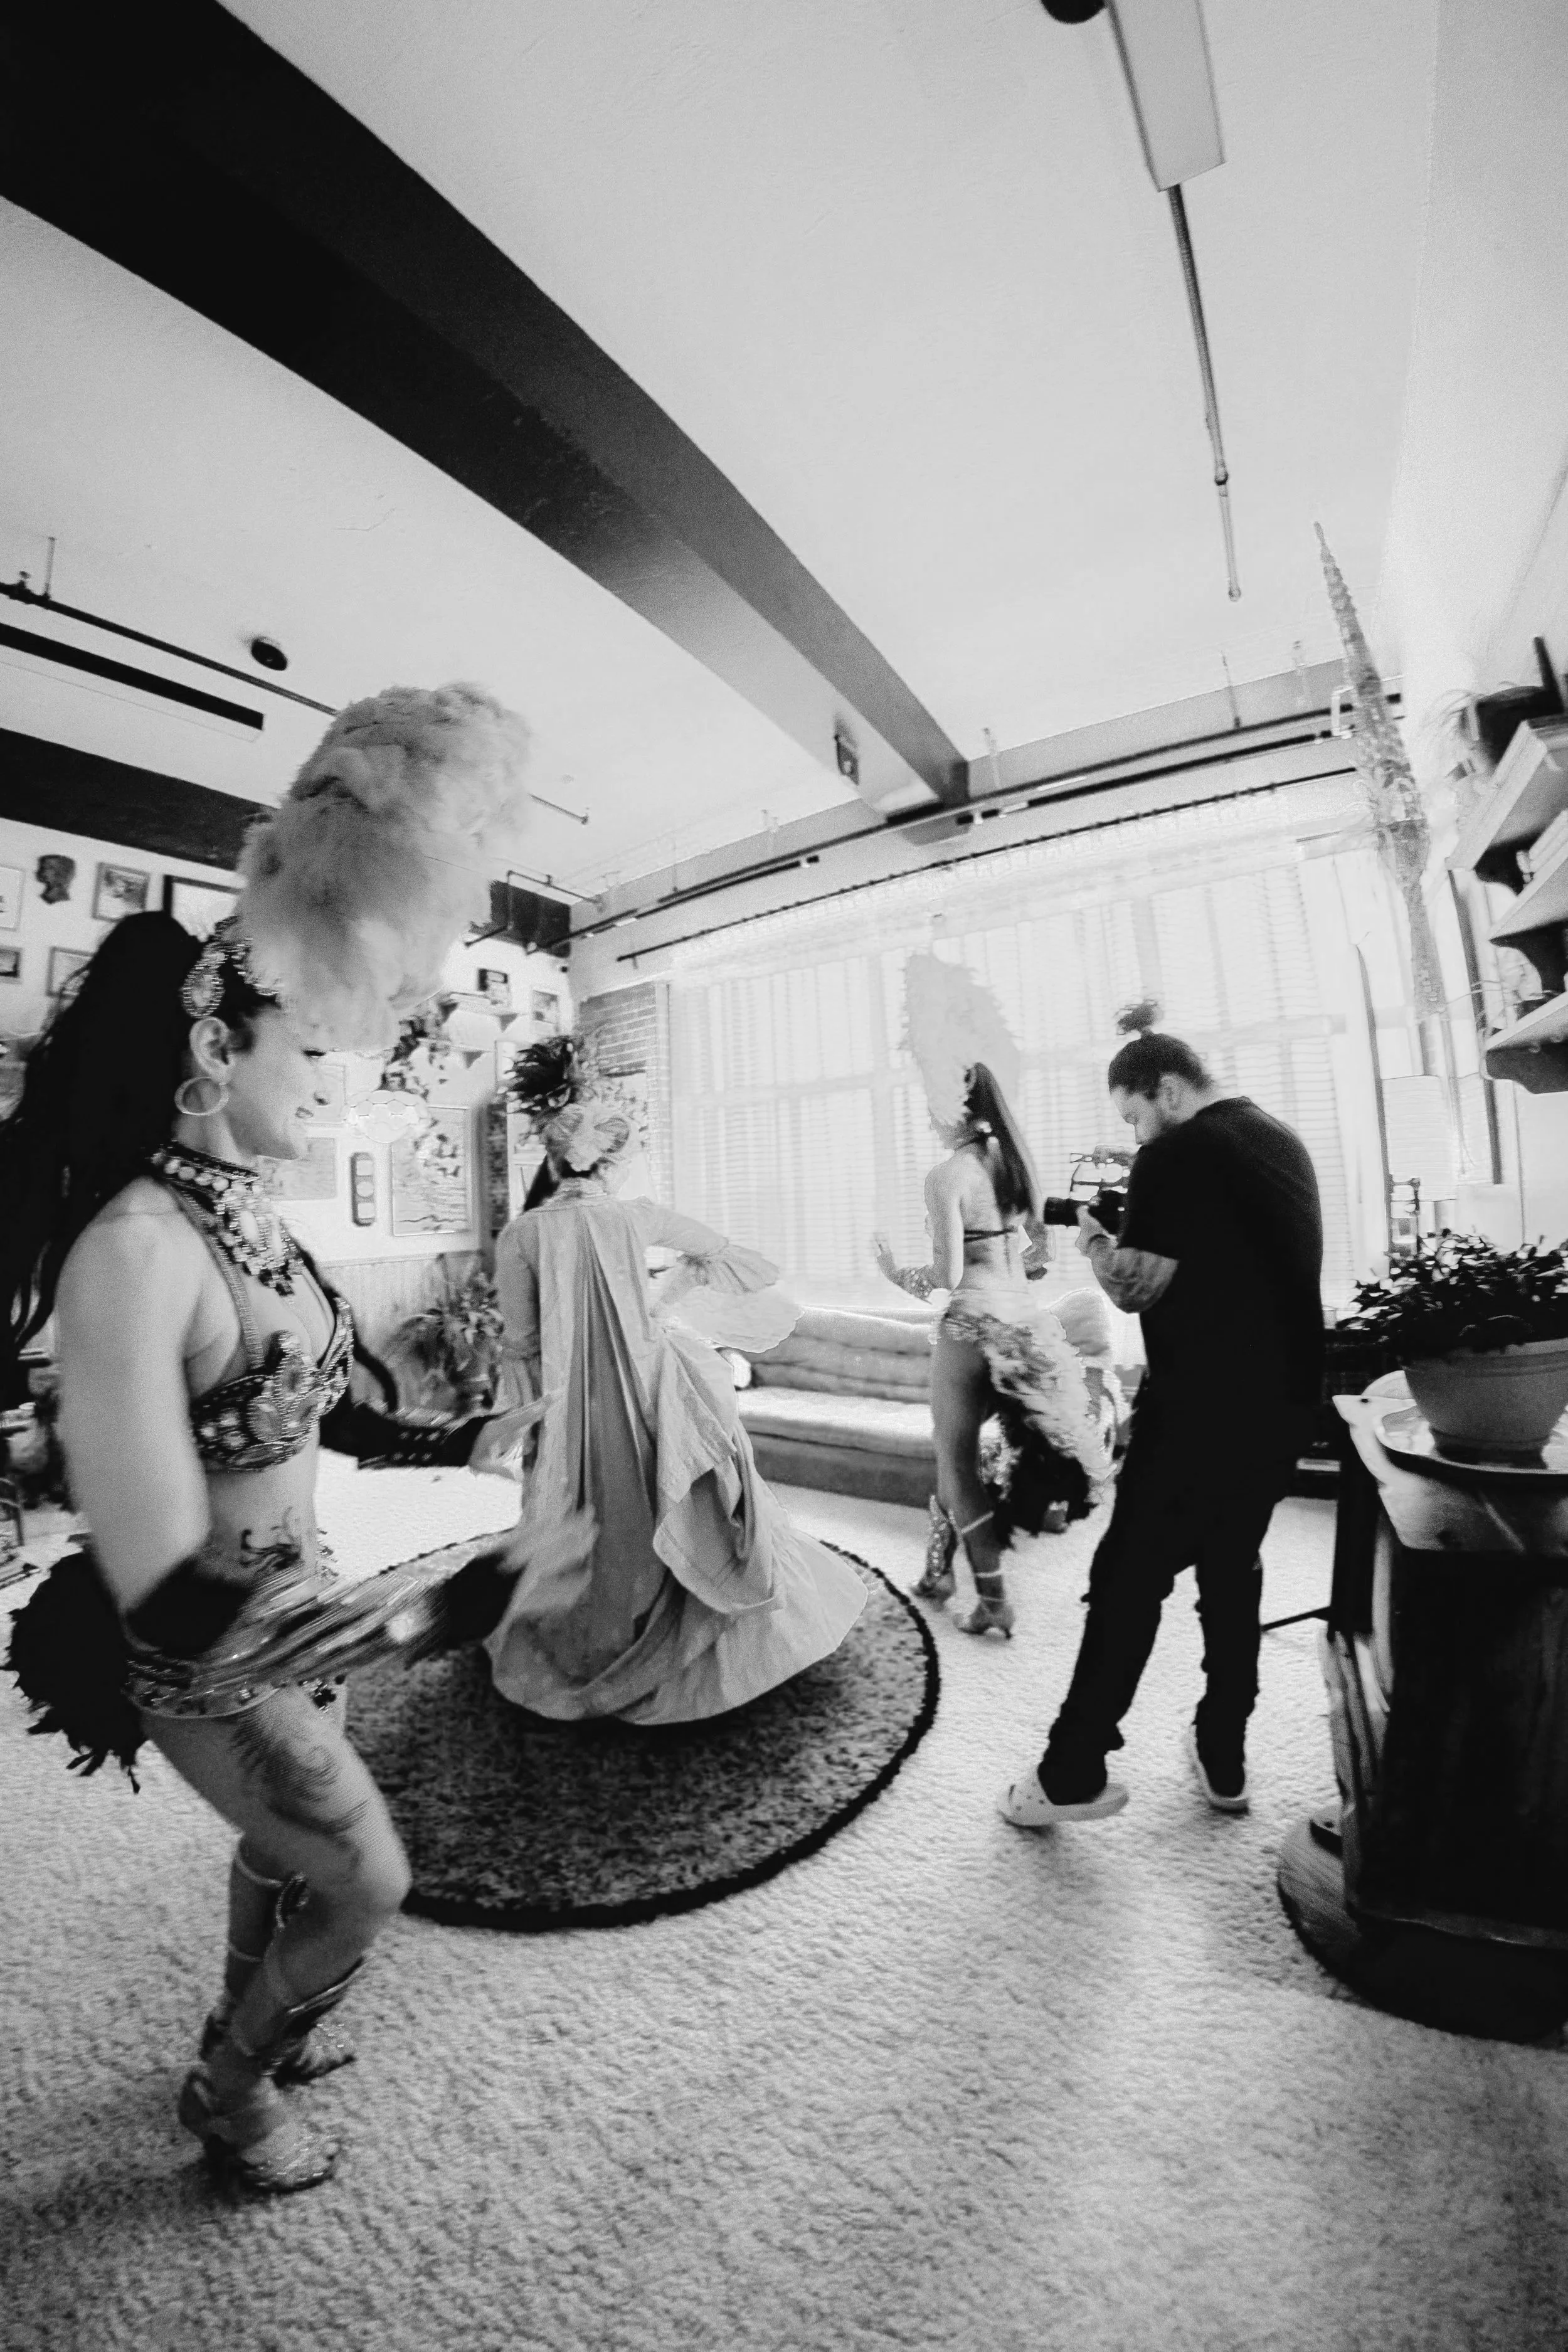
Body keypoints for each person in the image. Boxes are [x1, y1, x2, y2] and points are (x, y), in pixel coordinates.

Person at [2, 687, 590, 2197]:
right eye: (310, 1054)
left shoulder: (256, 1219)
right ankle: (228, 2087)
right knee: (370, 1875)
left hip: (298, 1628)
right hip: (210, 1658)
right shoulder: (136, 1251)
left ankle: (245, 2015)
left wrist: (473, 1432)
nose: (339, 1081)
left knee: (287, 1854)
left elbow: (341, 1405)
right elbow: (152, 1572)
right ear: (213, 1045)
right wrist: (422, 1613)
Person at [1000, 1000, 1324, 1829]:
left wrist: (1099, 1244)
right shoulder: (1278, 1138)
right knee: (1231, 1569)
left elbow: (1137, 1287)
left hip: (1199, 1411)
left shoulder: (1179, 1153)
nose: (1138, 1134)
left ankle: (1071, 1769)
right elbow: (1226, 1262)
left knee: (1125, 1581)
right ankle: (1224, 1753)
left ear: (1169, 1089)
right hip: (1284, 1404)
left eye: (1136, 1114)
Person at [482, 1034, 867, 1723]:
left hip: (568, 1411)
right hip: (655, 1393)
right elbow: (751, 1267)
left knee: (578, 1515)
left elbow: (520, 1348)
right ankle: (689, 1611)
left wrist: (521, 1425)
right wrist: (669, 1293)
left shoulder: (520, 1236)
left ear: (550, 1155)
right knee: (687, 1501)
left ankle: (592, 1629)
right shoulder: (640, 1218)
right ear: (609, 1157)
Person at [875, 953, 1111, 1636]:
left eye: (926, 1102)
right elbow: (1035, 1261)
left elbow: (947, 1280)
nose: (925, 1116)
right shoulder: (1016, 1161)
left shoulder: (946, 1175)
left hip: (971, 1325)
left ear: (946, 1100)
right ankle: (941, 1572)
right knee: (973, 1459)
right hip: (1023, 1325)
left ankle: (994, 1600)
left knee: (953, 1464)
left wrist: (896, 1272)